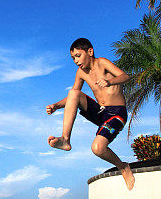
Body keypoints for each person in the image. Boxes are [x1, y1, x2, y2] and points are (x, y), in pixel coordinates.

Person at [46, 38, 135, 190]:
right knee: (73, 92)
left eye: (78, 56)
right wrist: (56, 105)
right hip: (100, 112)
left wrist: (110, 82)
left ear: (90, 52)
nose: (75, 60)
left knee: (98, 148)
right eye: (73, 58)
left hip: (116, 113)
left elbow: (126, 77)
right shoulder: (81, 73)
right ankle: (65, 139)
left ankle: (123, 167)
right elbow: (72, 98)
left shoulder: (102, 63)